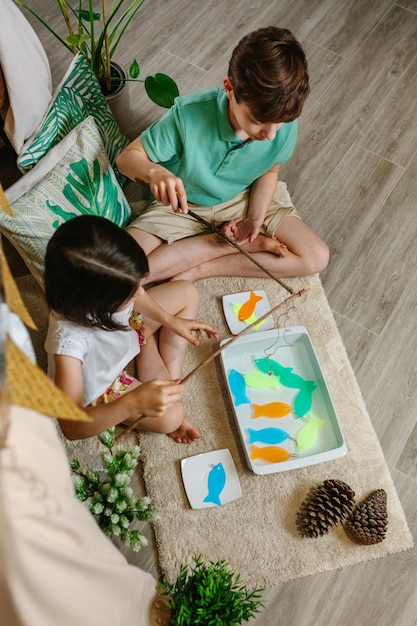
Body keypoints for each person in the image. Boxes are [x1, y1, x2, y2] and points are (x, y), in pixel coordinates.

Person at [116, 26, 329, 285]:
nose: (271, 135)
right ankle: (219, 244)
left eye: (280, 124)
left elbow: (269, 171)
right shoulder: (189, 116)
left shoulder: (281, 120)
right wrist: (155, 172)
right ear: (229, 88)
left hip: (241, 199)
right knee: (119, 270)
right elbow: (126, 159)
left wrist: (253, 220)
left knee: (316, 256)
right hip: (183, 206)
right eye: (258, 121)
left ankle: (201, 268)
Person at [44, 215, 218, 444]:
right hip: (105, 382)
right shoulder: (68, 346)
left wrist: (169, 321)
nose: (140, 292)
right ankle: (149, 351)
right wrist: (133, 402)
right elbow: (71, 427)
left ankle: (161, 367)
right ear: (97, 302)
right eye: (130, 292)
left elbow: (138, 294)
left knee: (186, 292)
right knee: (172, 417)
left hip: (124, 333)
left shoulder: (106, 286)